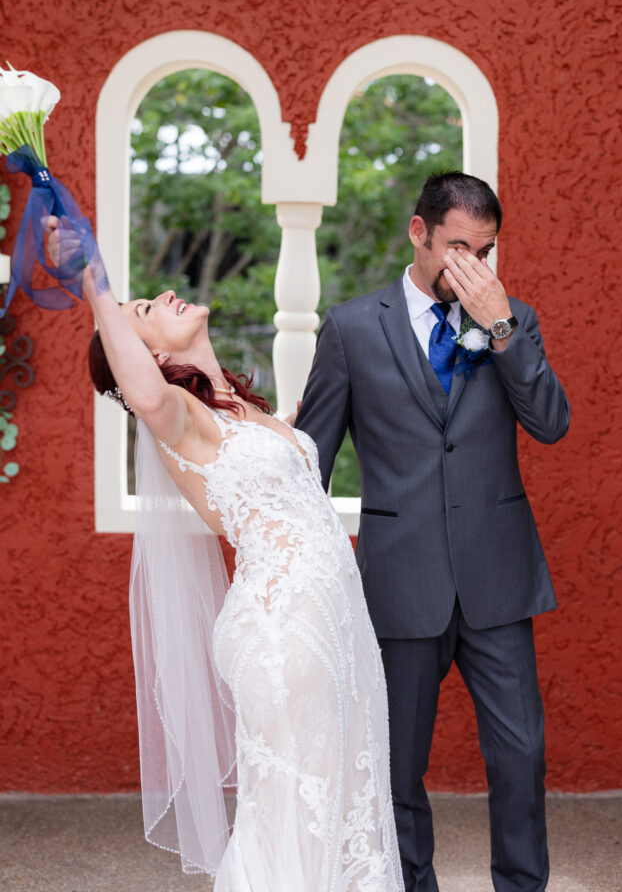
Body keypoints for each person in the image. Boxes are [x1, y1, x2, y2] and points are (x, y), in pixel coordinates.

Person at [45, 215, 403, 892]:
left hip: (331, 622)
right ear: (146, 357)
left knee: (339, 799)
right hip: (283, 630)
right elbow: (144, 397)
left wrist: (287, 430)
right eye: (145, 310)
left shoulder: (243, 410)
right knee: (300, 812)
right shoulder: (178, 413)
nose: (165, 298)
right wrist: (94, 283)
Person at [296, 171, 570, 892]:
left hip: (498, 579)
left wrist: (502, 325)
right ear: (417, 234)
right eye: (456, 247)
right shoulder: (352, 329)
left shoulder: (515, 319)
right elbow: (310, 462)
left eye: (483, 251)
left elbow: (550, 424)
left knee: (521, 757)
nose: (470, 267)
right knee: (395, 766)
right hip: (398, 578)